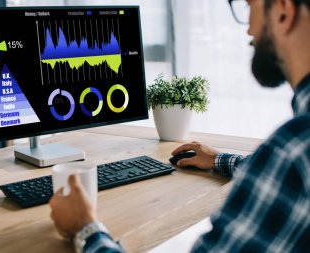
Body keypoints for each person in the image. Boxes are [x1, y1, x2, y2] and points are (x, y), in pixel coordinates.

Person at [49, 0, 310, 252]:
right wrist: (220, 159)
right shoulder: (292, 156)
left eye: (248, 5)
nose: (249, 29)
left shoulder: (293, 151)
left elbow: (287, 169)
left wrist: (86, 228)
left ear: (283, 11)